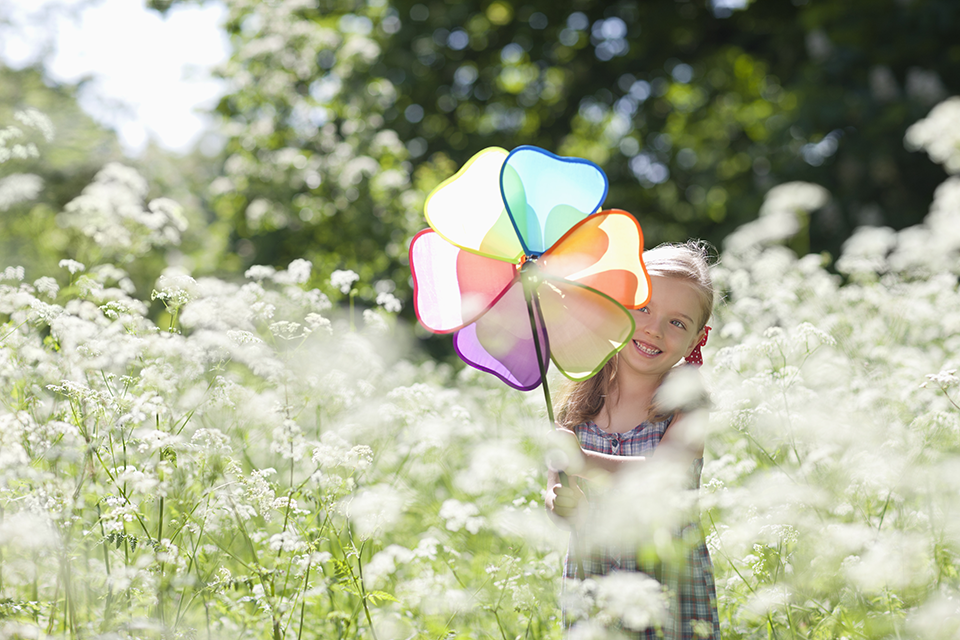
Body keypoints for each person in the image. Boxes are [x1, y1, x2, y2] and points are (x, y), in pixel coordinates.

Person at [545, 240, 721, 640]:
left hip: (669, 589)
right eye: (643, 308)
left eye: (677, 323)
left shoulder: (688, 402)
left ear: (696, 340)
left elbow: (665, 477)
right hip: (593, 585)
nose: (654, 329)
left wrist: (585, 462)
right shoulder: (578, 401)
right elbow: (555, 490)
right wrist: (561, 503)